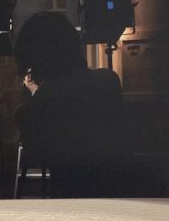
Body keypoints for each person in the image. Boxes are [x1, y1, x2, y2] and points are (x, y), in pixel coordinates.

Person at [13, 12, 128, 198]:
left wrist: (37, 93)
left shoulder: (37, 106)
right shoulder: (108, 80)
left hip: (72, 197)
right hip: (119, 191)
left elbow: (38, 152)